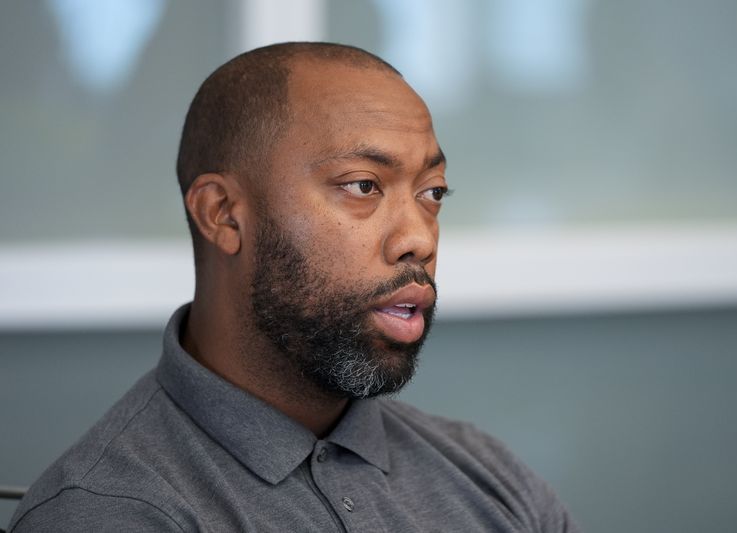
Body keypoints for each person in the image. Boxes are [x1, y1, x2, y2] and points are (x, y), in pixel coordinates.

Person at [9, 42, 578, 532]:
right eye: (363, 185)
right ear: (224, 215)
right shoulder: (110, 512)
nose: (419, 240)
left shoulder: (489, 478)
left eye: (432, 193)